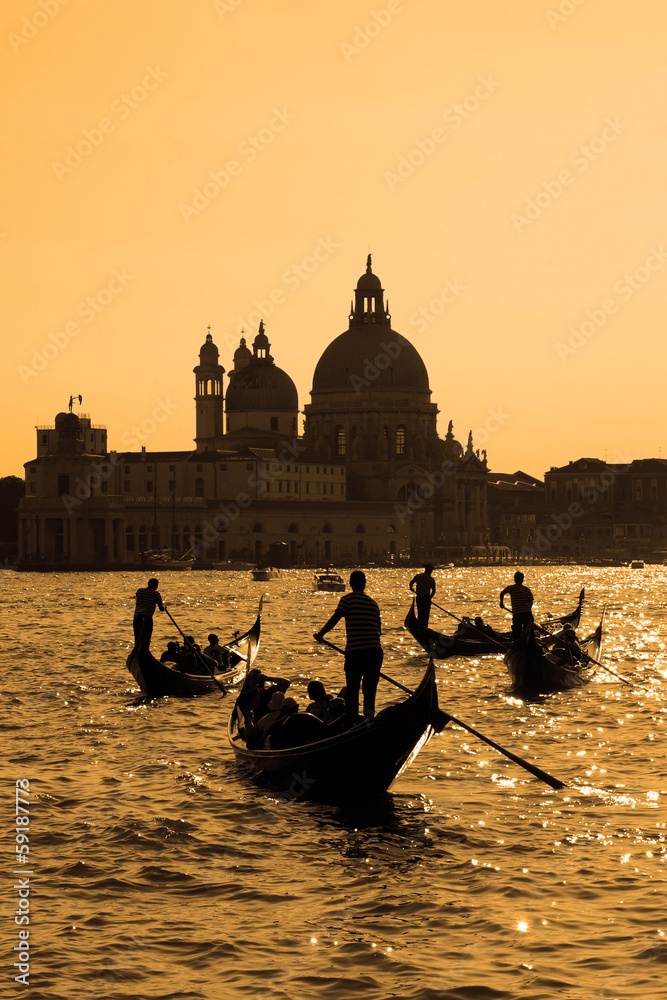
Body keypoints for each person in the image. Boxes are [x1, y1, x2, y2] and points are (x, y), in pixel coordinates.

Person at [314, 570, 383, 725]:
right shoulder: (373, 603)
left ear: (351, 584)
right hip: (375, 652)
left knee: (353, 691)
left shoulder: (347, 600)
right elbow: (379, 630)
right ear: (364, 584)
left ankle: (352, 722)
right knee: (369, 692)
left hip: (356, 652)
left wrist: (321, 634)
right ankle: (368, 723)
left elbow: (336, 618)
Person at [499, 571, 534, 639]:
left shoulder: (511, 588)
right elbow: (531, 601)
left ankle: (518, 643)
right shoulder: (527, 589)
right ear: (522, 580)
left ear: (514, 579)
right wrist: (528, 609)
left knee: (517, 632)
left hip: (517, 614)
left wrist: (501, 603)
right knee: (528, 632)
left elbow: (502, 593)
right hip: (527, 613)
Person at [133, 578, 165, 644]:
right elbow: (161, 608)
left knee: (137, 636)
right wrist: (165, 608)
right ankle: (145, 651)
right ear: (156, 586)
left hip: (137, 617)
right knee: (147, 637)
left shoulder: (139, 591)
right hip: (147, 617)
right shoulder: (156, 594)